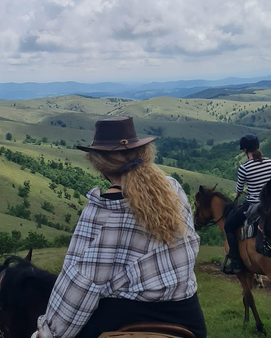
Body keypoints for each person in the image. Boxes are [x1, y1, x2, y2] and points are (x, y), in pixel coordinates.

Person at [35, 117, 207, 338]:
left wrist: (47, 333)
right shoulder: (173, 189)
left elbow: (80, 283)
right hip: (190, 319)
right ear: (143, 152)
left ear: (100, 165)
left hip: (126, 320)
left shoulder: (103, 210)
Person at [222, 134, 271, 274]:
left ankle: (236, 263)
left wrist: (238, 194)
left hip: (254, 205)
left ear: (245, 150)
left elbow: (239, 190)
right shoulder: (270, 163)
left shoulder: (244, 168)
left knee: (229, 225)